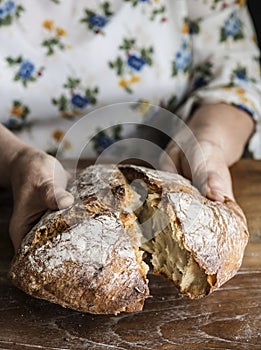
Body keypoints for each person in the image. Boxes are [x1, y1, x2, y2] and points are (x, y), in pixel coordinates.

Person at [0, 0, 260, 251]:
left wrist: (207, 139)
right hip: (18, 194)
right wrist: (14, 158)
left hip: (167, 177)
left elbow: (236, 79)